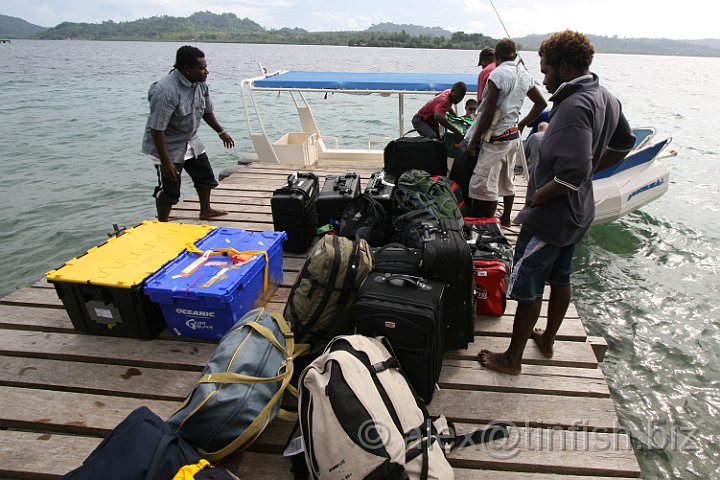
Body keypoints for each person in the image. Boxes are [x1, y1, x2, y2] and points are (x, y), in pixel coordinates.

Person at [479, 30, 636, 375]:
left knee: (529, 286)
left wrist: (540, 194)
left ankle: (512, 359)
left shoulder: (573, 106)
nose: (544, 80)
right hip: (579, 213)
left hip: (551, 217)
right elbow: (624, 143)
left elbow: (573, 172)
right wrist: (595, 165)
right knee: (561, 277)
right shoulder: (605, 96)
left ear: (564, 67)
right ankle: (548, 338)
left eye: (546, 70)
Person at [142, 45, 234, 222]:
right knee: (171, 188)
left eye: (206, 67)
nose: (206, 72)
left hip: (190, 139)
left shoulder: (200, 84)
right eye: (202, 68)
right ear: (187, 70)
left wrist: (220, 131)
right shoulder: (165, 91)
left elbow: (206, 111)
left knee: (205, 176)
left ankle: (205, 210)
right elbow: (157, 129)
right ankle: (162, 222)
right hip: (167, 145)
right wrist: (166, 162)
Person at [466, 38, 547, 226]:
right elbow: (541, 103)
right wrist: (523, 123)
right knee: (506, 178)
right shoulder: (524, 74)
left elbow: (486, 112)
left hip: (496, 137)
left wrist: (472, 142)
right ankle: (505, 219)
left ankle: (487, 225)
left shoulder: (498, 74)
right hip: (512, 136)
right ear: (515, 54)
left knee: (485, 184)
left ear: (497, 56)